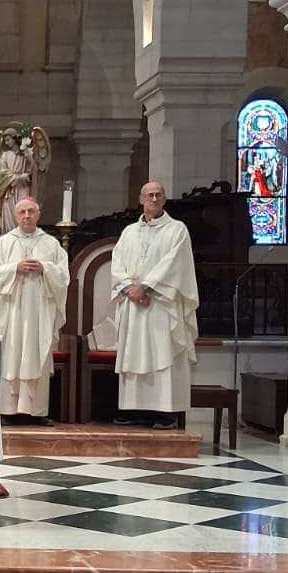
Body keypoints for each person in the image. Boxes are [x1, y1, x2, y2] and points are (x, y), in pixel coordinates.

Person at [108, 180, 198, 429]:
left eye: (158, 195)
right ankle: (135, 409)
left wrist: (146, 287)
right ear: (141, 199)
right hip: (133, 303)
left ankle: (165, 412)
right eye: (150, 195)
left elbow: (173, 264)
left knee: (162, 352)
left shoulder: (177, 230)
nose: (154, 199)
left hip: (161, 303)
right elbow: (117, 262)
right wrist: (129, 288)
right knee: (134, 352)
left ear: (165, 199)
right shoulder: (129, 232)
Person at [0, 197, 70, 424]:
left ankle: (37, 412)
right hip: (11, 311)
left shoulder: (51, 244)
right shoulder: (4, 243)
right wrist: (14, 268)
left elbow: (63, 277)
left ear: (38, 214)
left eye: (31, 211)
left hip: (39, 312)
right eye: (22, 212)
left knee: (37, 352)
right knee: (11, 354)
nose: (26, 216)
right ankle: (7, 410)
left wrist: (45, 268)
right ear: (15, 216)